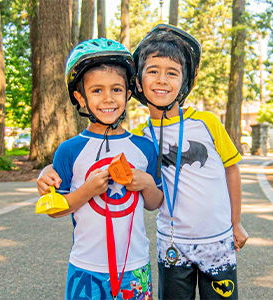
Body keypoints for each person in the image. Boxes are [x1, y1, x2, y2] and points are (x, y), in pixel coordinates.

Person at [38, 24, 248, 300]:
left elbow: (228, 170)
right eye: (153, 72)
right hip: (156, 248)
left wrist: (236, 222)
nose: (162, 80)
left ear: (127, 92)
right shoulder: (139, 138)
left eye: (172, 73)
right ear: (137, 84)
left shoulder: (190, 128)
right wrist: (49, 170)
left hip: (206, 244)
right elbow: (65, 190)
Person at [45, 38, 163, 300]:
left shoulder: (144, 148)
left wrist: (147, 184)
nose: (108, 98)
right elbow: (53, 209)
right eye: (97, 90)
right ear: (80, 98)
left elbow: (154, 203)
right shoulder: (69, 150)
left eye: (116, 90)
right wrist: (86, 191)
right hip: (86, 267)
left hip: (135, 267)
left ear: (128, 93)